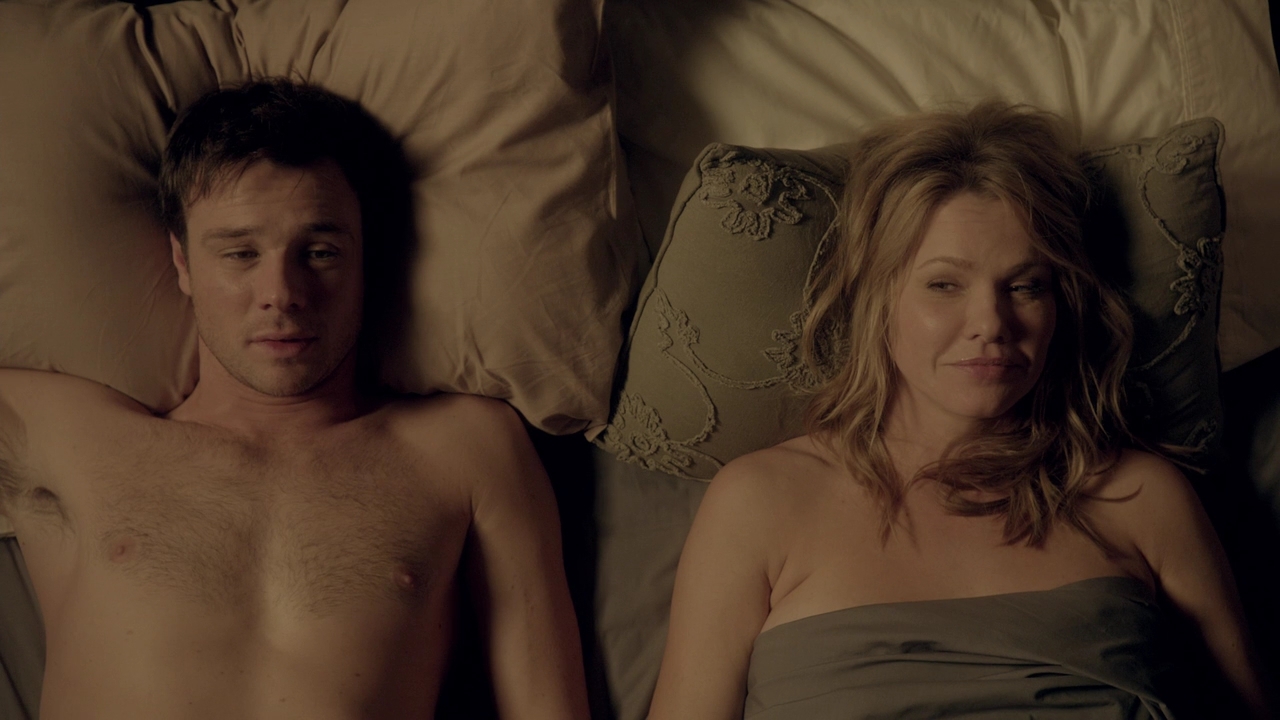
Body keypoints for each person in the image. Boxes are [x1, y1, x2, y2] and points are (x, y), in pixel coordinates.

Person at [646, 102, 1273, 719]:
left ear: (1061, 306)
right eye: (944, 284)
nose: (991, 323)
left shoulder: (1139, 497)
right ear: (878, 300)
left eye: (1025, 286)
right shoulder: (760, 502)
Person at [0, 79, 589, 719]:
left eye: (321, 252)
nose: (281, 293)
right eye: (240, 253)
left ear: (367, 259)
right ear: (183, 263)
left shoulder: (467, 448)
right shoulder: (66, 437)